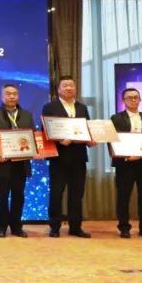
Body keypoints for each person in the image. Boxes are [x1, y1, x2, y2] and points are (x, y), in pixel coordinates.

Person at [41, 76, 92, 238]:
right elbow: (45, 130)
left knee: (77, 194)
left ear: (75, 88)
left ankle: (75, 226)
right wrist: (59, 140)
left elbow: (88, 128)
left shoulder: (82, 108)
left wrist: (90, 139)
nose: (69, 88)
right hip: (59, 158)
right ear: (58, 90)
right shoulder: (50, 107)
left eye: (71, 85)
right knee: (56, 193)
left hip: (79, 157)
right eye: (65, 85)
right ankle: (54, 226)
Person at [0, 84, 35, 238]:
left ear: (18, 96)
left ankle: (16, 227)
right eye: (8, 94)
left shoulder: (27, 115)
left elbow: (32, 137)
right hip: (2, 163)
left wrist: (33, 150)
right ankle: (1, 227)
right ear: (2, 97)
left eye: (14, 94)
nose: (12, 96)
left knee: (19, 196)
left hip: (21, 163)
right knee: (2, 196)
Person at [110, 88, 142, 239]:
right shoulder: (116, 118)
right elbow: (113, 140)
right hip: (125, 164)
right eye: (129, 97)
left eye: (136, 97)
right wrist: (126, 155)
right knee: (123, 196)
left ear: (140, 100)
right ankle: (124, 227)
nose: (133, 100)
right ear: (123, 100)